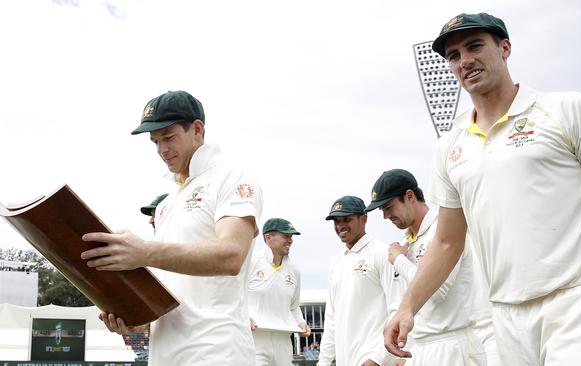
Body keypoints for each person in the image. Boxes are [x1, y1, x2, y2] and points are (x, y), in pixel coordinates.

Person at [384, 12, 581, 365]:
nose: (465, 61)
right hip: (507, 319)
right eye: (454, 55)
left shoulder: (567, 110)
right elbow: (447, 241)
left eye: (475, 46)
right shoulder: (450, 147)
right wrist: (407, 307)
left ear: (505, 47)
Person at [80, 90, 263, 365]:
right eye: (154, 141)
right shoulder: (166, 204)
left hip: (217, 352)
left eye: (169, 137)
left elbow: (232, 254)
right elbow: (173, 289)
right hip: (165, 353)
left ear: (197, 129)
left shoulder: (232, 179)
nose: (161, 150)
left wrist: (144, 252)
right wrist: (133, 317)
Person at [365, 169, 486, 365]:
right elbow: (408, 306)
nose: (386, 216)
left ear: (410, 196)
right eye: (382, 210)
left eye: (389, 207)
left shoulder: (444, 231)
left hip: (452, 346)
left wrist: (399, 261)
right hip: (421, 349)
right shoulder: (407, 243)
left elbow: (436, 292)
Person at [318, 196, 404, 366]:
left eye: (347, 219)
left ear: (363, 218)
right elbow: (331, 319)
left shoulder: (381, 252)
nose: (340, 226)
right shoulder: (336, 262)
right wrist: (324, 362)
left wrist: (377, 358)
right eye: (336, 221)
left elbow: (398, 308)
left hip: (375, 360)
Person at [248, 217, 311, 366]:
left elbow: (294, 307)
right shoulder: (251, 262)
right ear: (268, 237)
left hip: (283, 340)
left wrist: (301, 322)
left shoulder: (294, 271)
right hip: (255, 338)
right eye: (286, 236)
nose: (290, 240)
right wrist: (243, 316)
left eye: (291, 237)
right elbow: (235, 296)